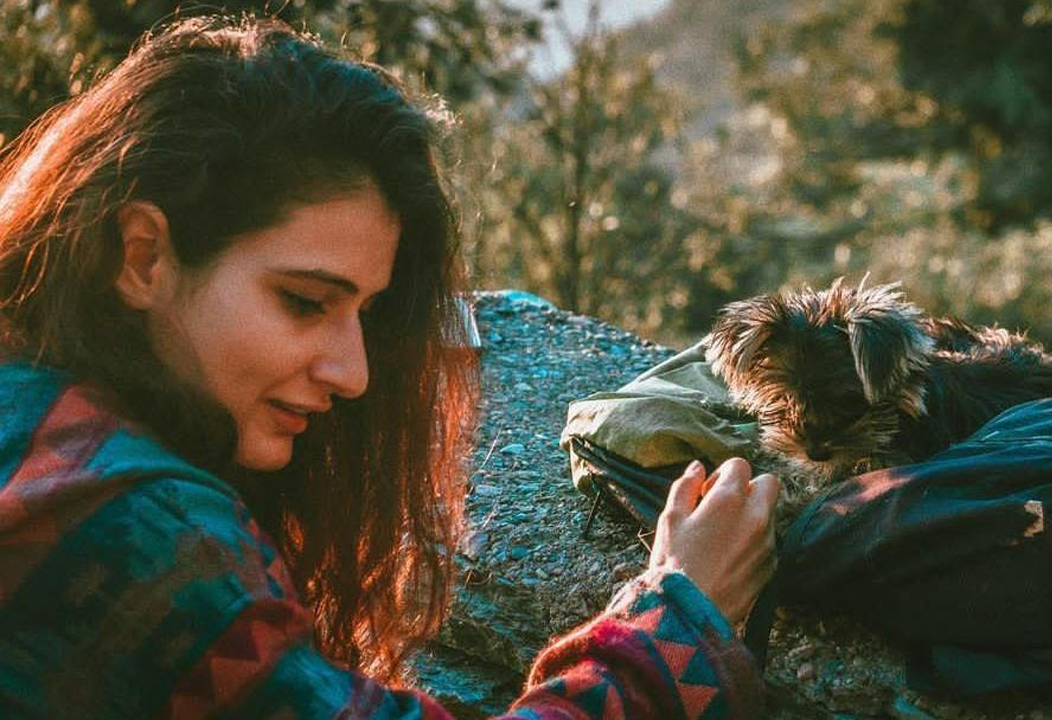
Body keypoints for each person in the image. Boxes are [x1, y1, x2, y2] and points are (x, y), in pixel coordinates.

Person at [0, 15, 779, 720]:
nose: (354, 374)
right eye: (305, 301)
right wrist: (677, 617)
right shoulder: (142, 534)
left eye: (366, 314)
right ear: (144, 256)